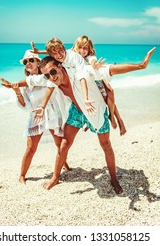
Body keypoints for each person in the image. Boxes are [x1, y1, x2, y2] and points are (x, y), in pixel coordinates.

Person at [29, 46, 155, 193]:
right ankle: (55, 177)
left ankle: (113, 178)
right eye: (47, 75)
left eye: (52, 72)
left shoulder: (79, 72)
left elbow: (108, 70)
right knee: (64, 144)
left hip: (95, 111)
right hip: (77, 111)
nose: (51, 77)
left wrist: (140, 65)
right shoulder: (52, 80)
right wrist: (20, 90)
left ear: (59, 66)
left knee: (106, 144)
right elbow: (31, 80)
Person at [0, 50, 70, 184]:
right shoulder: (24, 85)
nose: (28, 63)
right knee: (31, 148)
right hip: (36, 116)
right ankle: (22, 175)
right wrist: (17, 91)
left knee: (60, 144)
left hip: (53, 114)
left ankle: (63, 165)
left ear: (38, 62)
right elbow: (26, 107)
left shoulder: (48, 76)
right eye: (25, 62)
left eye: (31, 60)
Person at [72, 35, 126, 135]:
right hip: (84, 85)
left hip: (96, 80)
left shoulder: (90, 57)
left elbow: (94, 63)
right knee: (102, 98)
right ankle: (110, 119)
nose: (82, 50)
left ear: (89, 49)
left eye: (85, 48)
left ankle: (117, 119)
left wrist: (96, 66)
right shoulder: (72, 56)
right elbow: (59, 52)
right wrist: (40, 52)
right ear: (76, 47)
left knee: (110, 93)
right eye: (80, 47)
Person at [30, 38, 96, 118]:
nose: (59, 55)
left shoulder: (73, 57)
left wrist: (86, 98)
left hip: (90, 76)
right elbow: (50, 84)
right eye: (55, 54)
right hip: (75, 99)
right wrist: (42, 106)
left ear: (64, 48)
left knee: (107, 90)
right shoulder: (56, 60)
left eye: (60, 51)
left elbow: (82, 77)